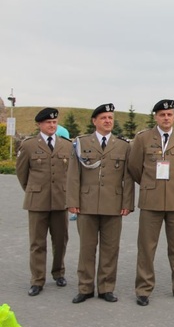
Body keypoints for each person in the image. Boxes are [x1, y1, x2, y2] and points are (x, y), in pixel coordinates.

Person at [128, 99, 174, 306]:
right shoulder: (142, 138)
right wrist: (150, 184)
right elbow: (134, 167)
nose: (166, 118)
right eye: (162, 114)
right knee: (146, 248)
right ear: (155, 117)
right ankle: (143, 289)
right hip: (151, 200)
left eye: (169, 114)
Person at [67, 103, 134, 304]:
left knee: (110, 248)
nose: (107, 121)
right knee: (87, 248)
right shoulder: (81, 143)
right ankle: (85, 287)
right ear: (94, 121)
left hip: (113, 204)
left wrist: (127, 202)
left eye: (110, 118)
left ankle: (106, 288)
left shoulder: (123, 145)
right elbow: (73, 175)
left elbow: (128, 177)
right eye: (103, 118)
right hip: (86, 204)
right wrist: (72, 201)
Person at [15, 107, 73, 296]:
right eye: (48, 122)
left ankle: (59, 272)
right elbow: (22, 174)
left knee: (60, 240)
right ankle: (37, 280)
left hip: (60, 200)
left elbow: (71, 174)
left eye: (54, 122)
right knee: (37, 243)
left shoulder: (66, 145)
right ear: (40, 124)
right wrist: (33, 191)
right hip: (37, 202)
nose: (52, 125)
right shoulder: (29, 145)